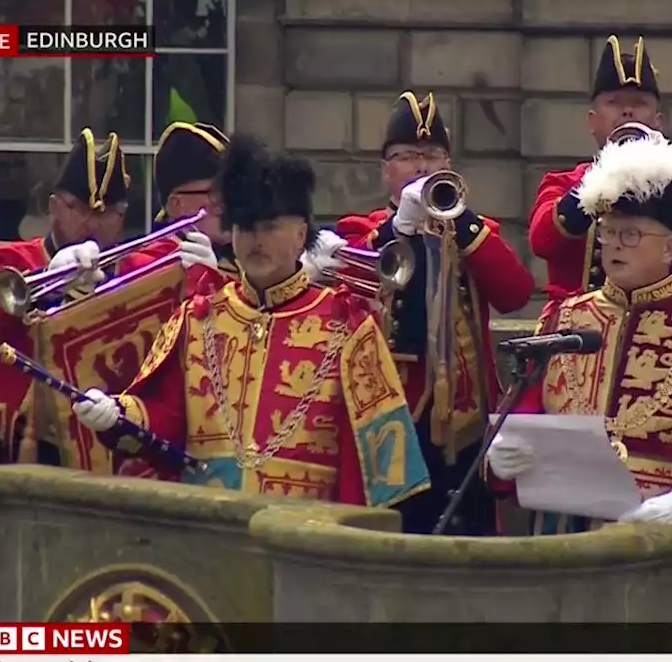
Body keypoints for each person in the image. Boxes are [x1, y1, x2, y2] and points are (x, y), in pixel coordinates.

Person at [70, 134, 431, 508]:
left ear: (301, 234)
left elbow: (378, 464)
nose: (256, 240)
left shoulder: (347, 325)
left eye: (270, 226)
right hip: (211, 530)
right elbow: (167, 418)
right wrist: (118, 414)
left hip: (303, 538)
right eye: (245, 227)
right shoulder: (196, 318)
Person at [486, 133, 672, 534]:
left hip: (661, 535)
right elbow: (524, 411)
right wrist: (502, 457)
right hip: (558, 533)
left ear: (671, 248)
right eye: (608, 232)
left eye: (631, 234)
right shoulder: (565, 317)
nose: (614, 245)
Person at [334, 91, 535, 535]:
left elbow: (516, 292)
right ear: (386, 171)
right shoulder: (360, 231)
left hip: (462, 421)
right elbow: (346, 285)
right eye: (407, 156)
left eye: (432, 156)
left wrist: (462, 223)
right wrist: (397, 229)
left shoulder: (475, 232)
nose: (421, 168)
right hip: (391, 412)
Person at [0, 128, 135, 463]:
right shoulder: (11, 261)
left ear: (122, 216)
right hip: (25, 447)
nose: (91, 222)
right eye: (78, 208)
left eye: (105, 213)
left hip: (110, 451)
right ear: (54, 207)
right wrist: (46, 280)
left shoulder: (138, 270)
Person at [528, 35, 672, 295]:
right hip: (581, 328)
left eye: (639, 104)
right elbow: (542, 241)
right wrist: (605, 179)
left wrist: (668, 167)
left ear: (658, 122)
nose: (627, 113)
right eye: (614, 103)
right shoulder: (563, 183)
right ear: (592, 121)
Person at [121, 122, 236, 285]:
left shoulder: (241, 260)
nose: (227, 204)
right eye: (215, 194)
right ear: (176, 205)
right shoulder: (145, 267)